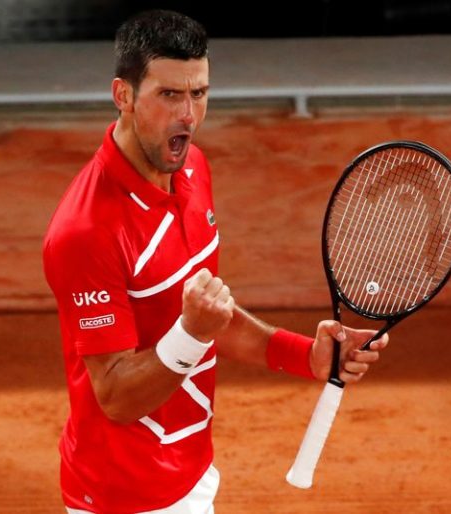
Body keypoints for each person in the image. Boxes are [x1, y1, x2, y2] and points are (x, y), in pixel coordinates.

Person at [42, 9, 389, 514]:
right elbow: (115, 396)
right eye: (169, 94)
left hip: (192, 468)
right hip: (123, 496)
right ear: (123, 95)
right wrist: (191, 334)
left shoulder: (192, 171)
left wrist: (302, 354)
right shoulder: (86, 231)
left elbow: (208, 315)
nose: (188, 114)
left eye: (199, 93)